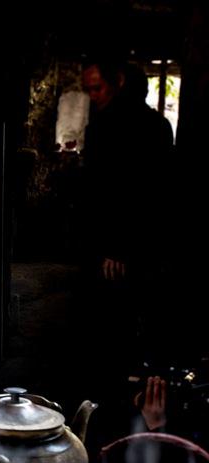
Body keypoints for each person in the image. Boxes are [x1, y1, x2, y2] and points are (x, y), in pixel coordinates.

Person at [75, 57, 175, 407]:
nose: (93, 96)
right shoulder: (104, 123)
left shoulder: (146, 127)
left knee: (120, 326)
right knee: (108, 328)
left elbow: (143, 193)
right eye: (88, 90)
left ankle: (120, 400)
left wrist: (117, 248)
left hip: (125, 249)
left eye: (97, 88)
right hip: (110, 246)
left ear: (118, 82)